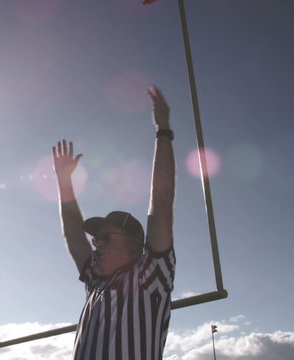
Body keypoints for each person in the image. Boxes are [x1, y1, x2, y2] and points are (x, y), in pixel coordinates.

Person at [52, 86, 176, 360]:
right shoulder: (95, 280)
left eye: (107, 237)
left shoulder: (151, 275)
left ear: (134, 243)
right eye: (97, 239)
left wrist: (163, 130)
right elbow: (74, 235)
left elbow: (162, 200)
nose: (97, 245)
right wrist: (65, 184)